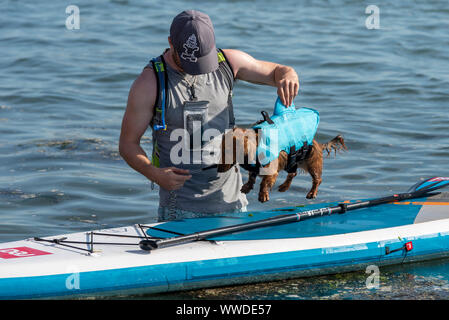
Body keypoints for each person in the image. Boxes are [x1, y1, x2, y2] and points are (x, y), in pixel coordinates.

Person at [119, 10, 299, 221]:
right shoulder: (150, 83)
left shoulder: (229, 62)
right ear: (170, 42)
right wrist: (154, 174)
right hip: (180, 210)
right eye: (190, 60)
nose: (198, 68)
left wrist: (288, 74)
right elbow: (128, 144)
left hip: (233, 202)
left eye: (202, 60)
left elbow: (277, 71)